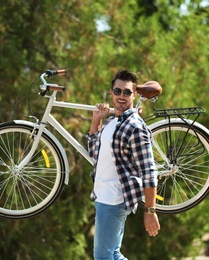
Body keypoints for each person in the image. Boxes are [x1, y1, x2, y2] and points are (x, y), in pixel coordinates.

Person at [86, 69, 160, 259]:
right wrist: (96, 120)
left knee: (104, 257)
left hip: (114, 199)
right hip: (103, 196)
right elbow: (94, 151)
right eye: (117, 91)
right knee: (112, 255)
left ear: (134, 95)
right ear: (111, 93)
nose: (121, 96)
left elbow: (149, 171)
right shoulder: (113, 122)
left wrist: (150, 211)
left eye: (127, 92)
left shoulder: (135, 127)